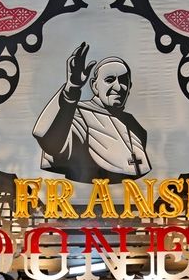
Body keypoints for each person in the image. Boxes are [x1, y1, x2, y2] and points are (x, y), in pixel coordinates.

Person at [33, 42, 151, 183]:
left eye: (124, 81)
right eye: (109, 80)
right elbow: (48, 140)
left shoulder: (134, 125)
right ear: (95, 86)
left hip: (131, 196)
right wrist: (72, 88)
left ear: (130, 87)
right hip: (83, 194)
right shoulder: (77, 114)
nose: (118, 87)